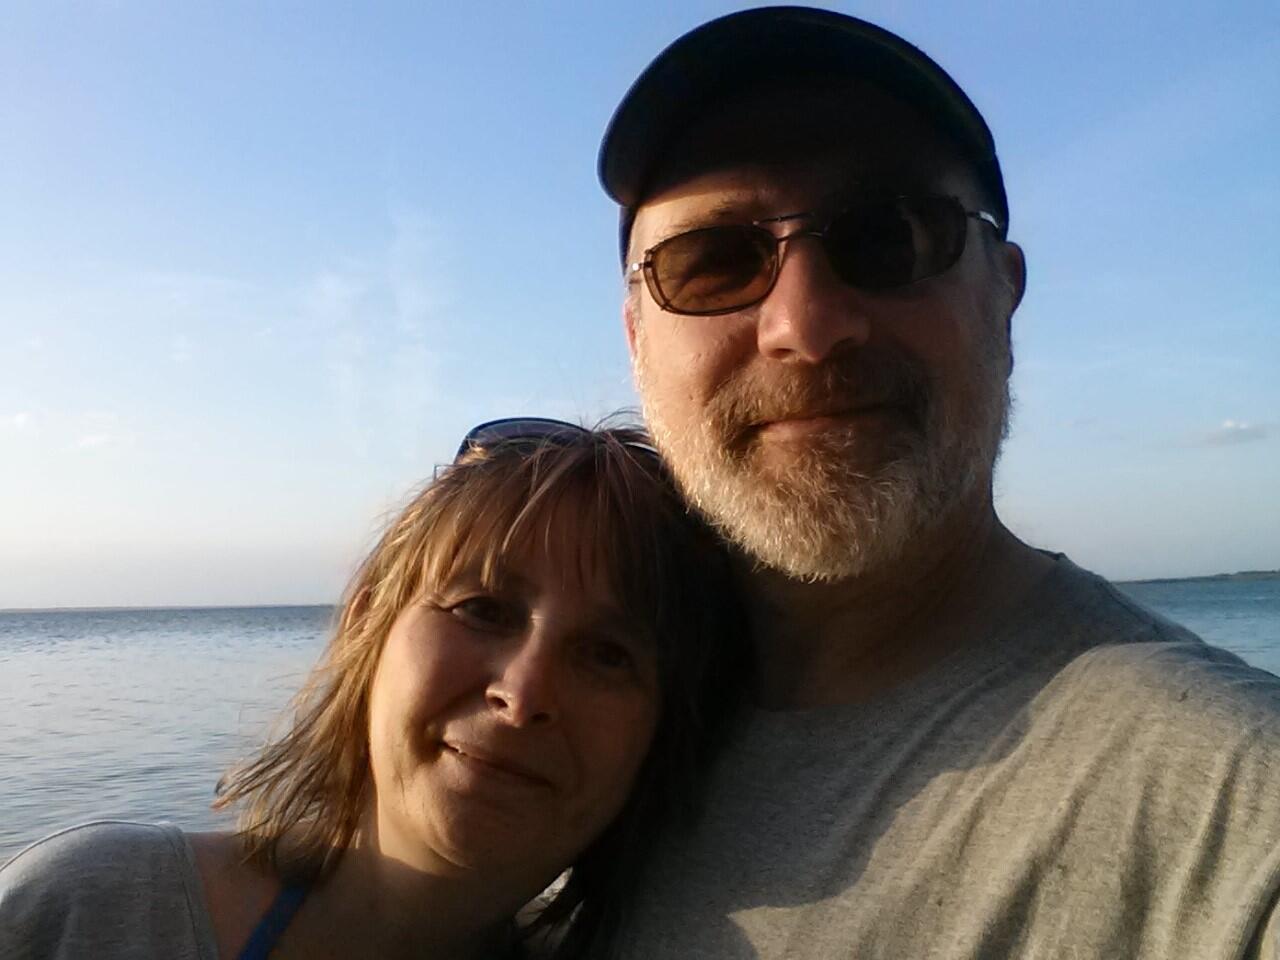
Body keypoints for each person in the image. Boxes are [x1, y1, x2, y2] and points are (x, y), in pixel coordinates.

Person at [597, 7, 1280, 958]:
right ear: (636, 337)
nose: (808, 324)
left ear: (1004, 295)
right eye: (712, 263)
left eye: (892, 237)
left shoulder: (1235, 804)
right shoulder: (576, 738)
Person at [0, 421, 748, 960]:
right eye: (482, 610)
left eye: (608, 656)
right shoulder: (96, 913)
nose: (522, 695)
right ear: (368, 620)